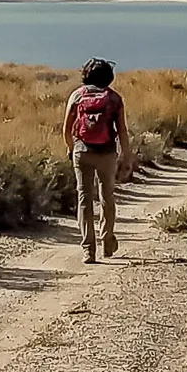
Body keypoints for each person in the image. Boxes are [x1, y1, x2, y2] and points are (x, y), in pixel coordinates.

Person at [66, 59, 126, 261]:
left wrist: (71, 148)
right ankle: (107, 241)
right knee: (107, 196)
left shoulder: (77, 95)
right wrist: (126, 155)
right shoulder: (114, 99)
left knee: (84, 198)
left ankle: (88, 249)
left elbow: (66, 129)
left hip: (82, 151)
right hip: (107, 153)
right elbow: (122, 130)